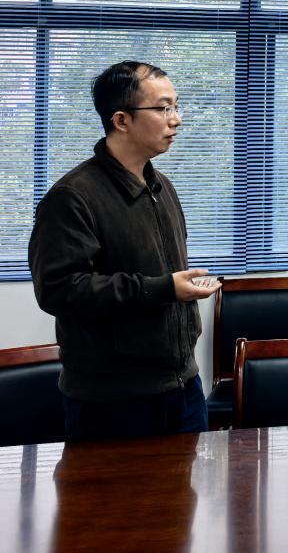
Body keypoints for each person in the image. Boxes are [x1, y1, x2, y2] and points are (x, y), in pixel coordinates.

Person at [28, 61, 218, 440]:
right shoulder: (72, 197)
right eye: (163, 108)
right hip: (112, 402)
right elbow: (59, 290)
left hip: (183, 389)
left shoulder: (161, 186)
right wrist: (162, 288)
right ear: (121, 120)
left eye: (176, 106)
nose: (176, 119)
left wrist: (174, 288)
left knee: (189, 483)